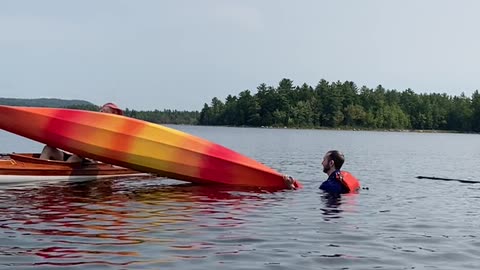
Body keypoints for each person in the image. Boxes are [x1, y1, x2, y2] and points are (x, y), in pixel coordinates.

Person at [39, 102, 123, 162]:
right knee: (48, 148)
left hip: (90, 161)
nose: (101, 112)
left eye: (105, 111)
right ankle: (40, 170)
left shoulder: (114, 134)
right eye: (101, 110)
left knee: (76, 157)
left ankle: (60, 175)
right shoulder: (91, 126)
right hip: (74, 155)